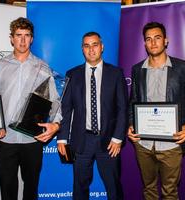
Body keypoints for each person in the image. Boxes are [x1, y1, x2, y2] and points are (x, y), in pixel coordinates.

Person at [127, 22, 185, 199]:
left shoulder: (183, 68)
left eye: (157, 38)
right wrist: (131, 124)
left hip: (171, 143)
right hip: (144, 144)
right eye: (148, 39)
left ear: (166, 41)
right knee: (149, 189)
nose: (153, 43)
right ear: (144, 44)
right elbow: (133, 102)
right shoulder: (137, 69)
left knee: (170, 191)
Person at [0, 17, 61, 200]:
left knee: (31, 188)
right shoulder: (0, 66)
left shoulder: (42, 67)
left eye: (26, 35)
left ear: (32, 39)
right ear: (11, 38)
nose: (22, 40)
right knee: (7, 188)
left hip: (32, 140)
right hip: (6, 140)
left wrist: (56, 124)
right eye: (18, 35)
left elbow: (55, 101)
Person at [57, 32, 128, 200]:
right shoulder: (72, 74)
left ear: (102, 47)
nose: (91, 49)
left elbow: (123, 108)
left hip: (110, 142)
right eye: (87, 46)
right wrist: (62, 138)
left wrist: (118, 138)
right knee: (80, 187)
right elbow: (66, 109)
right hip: (82, 142)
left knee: (114, 188)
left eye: (95, 44)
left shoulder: (116, 73)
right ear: (82, 49)